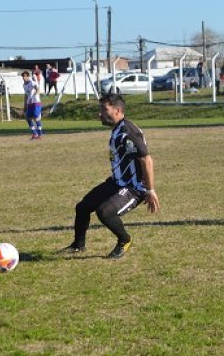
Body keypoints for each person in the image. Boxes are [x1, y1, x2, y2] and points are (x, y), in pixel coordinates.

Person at [60, 93, 160, 258]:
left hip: (133, 188)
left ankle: (124, 240)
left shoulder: (128, 131)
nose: (100, 113)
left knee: (105, 212)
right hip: (117, 182)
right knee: (83, 207)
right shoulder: (118, 129)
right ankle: (78, 245)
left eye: (104, 109)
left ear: (118, 110)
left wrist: (149, 190)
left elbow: (146, 159)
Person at [21, 71, 43, 139]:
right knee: (28, 118)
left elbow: (38, 89)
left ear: (28, 76)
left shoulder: (32, 82)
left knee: (36, 118)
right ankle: (35, 134)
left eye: (25, 76)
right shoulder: (24, 85)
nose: (24, 78)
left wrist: (35, 95)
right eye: (23, 77)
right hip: (29, 104)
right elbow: (26, 95)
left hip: (36, 103)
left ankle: (39, 133)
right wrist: (25, 105)